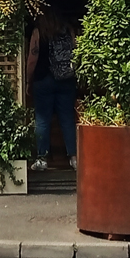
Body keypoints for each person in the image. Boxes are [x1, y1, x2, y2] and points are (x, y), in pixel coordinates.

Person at [26, 10, 78, 171]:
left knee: (42, 119)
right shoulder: (68, 29)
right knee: (67, 118)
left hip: (43, 80)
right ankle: (74, 158)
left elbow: (33, 59)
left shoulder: (39, 32)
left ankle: (42, 158)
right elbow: (76, 52)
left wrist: (28, 80)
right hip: (66, 80)